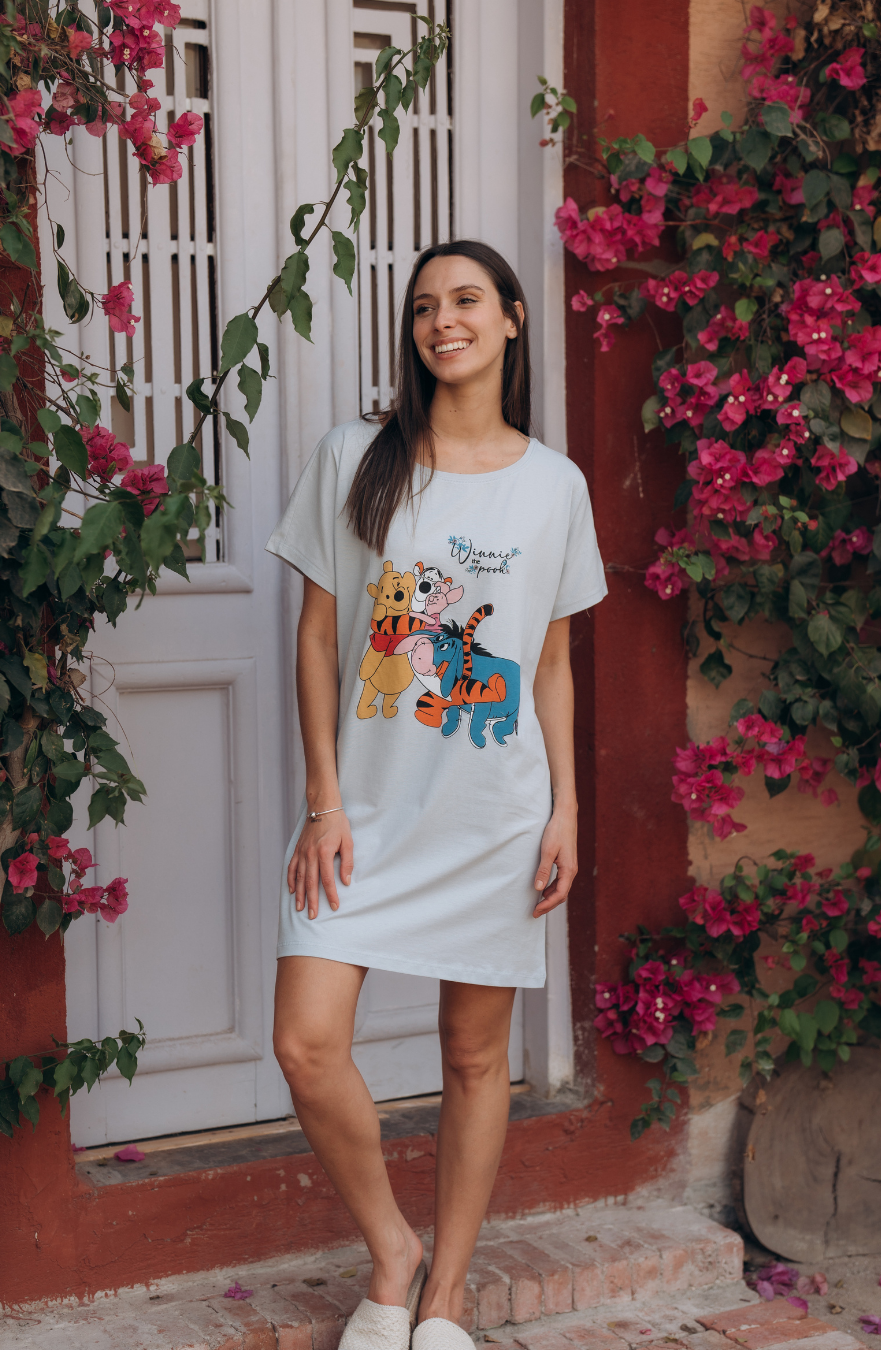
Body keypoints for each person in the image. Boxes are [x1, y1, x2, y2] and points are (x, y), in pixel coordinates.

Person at [265, 240, 607, 1350]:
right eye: (423, 307)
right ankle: (394, 1253)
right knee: (306, 1041)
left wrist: (565, 810)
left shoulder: (556, 487)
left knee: (473, 1056)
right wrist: (324, 801)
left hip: (492, 816)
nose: (442, 322)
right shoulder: (357, 457)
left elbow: (549, 666)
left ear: (511, 319)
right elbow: (318, 639)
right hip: (363, 812)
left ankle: (446, 1293)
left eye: (465, 301)